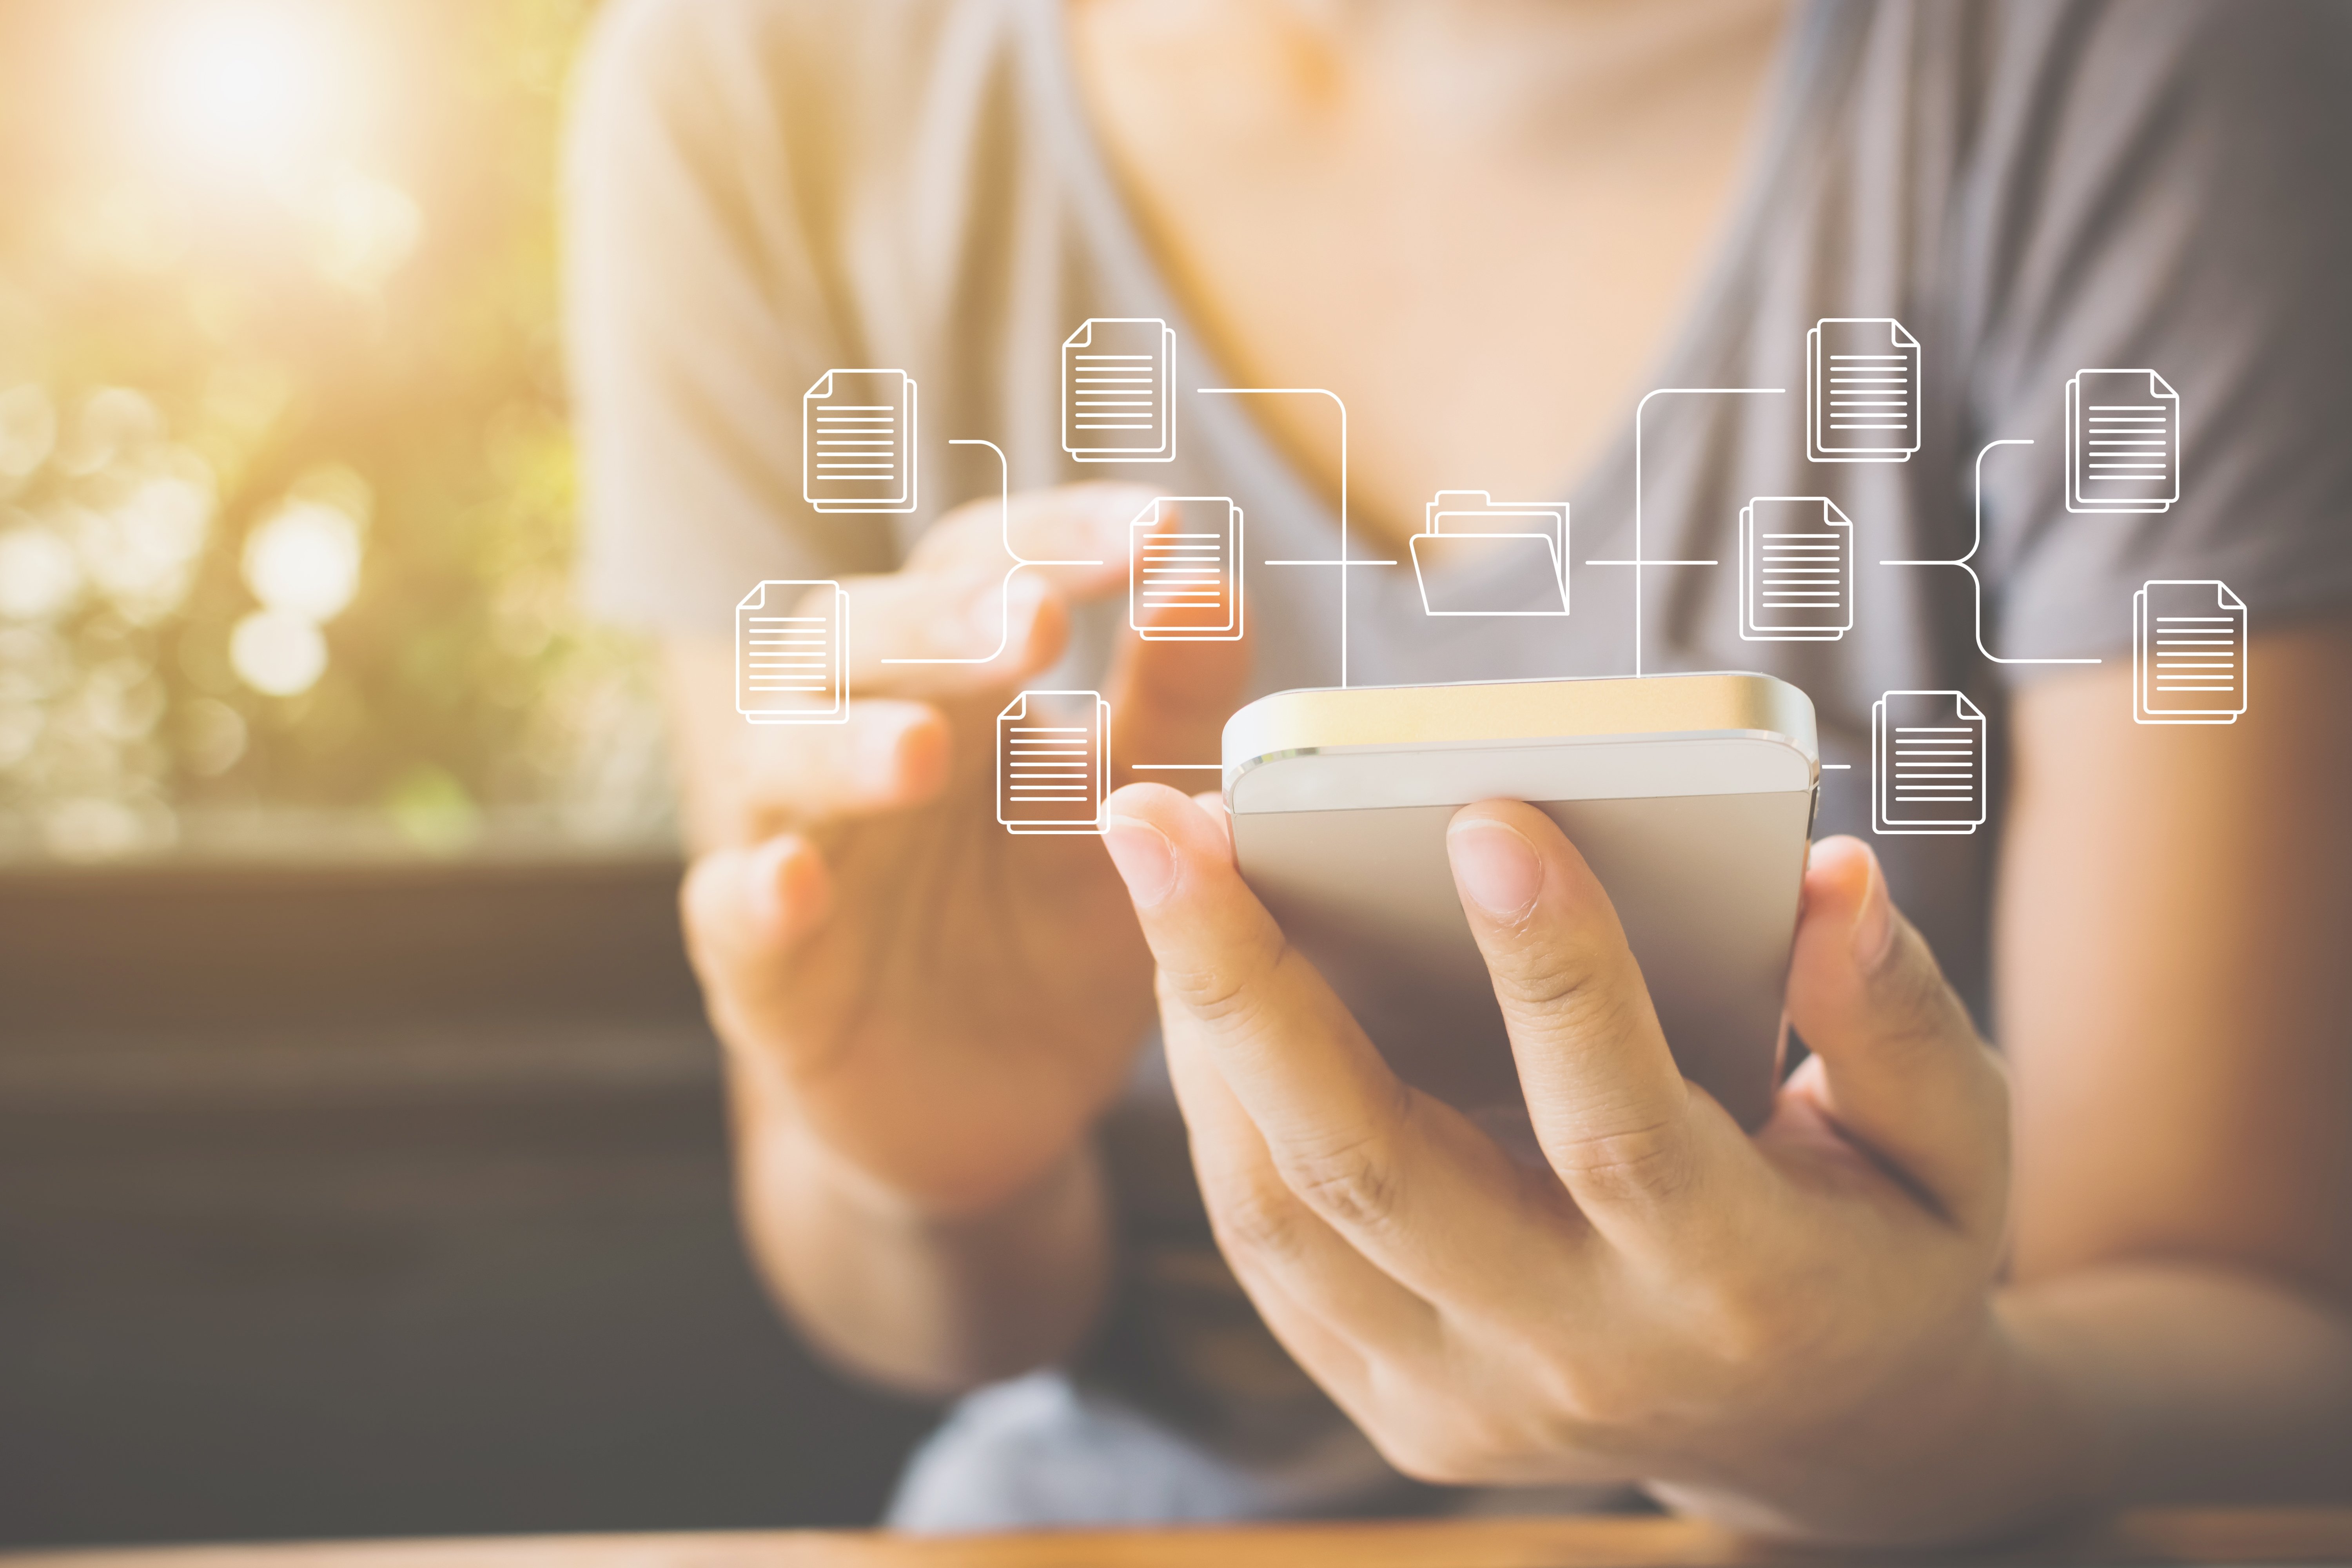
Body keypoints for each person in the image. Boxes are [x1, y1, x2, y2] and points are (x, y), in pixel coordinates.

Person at [563, 0, 2352, 1541]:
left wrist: (1897, 1429)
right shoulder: (763, 87)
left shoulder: (2125, 62)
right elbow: (908, 1302)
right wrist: (932, 1168)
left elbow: (2260, 1331)